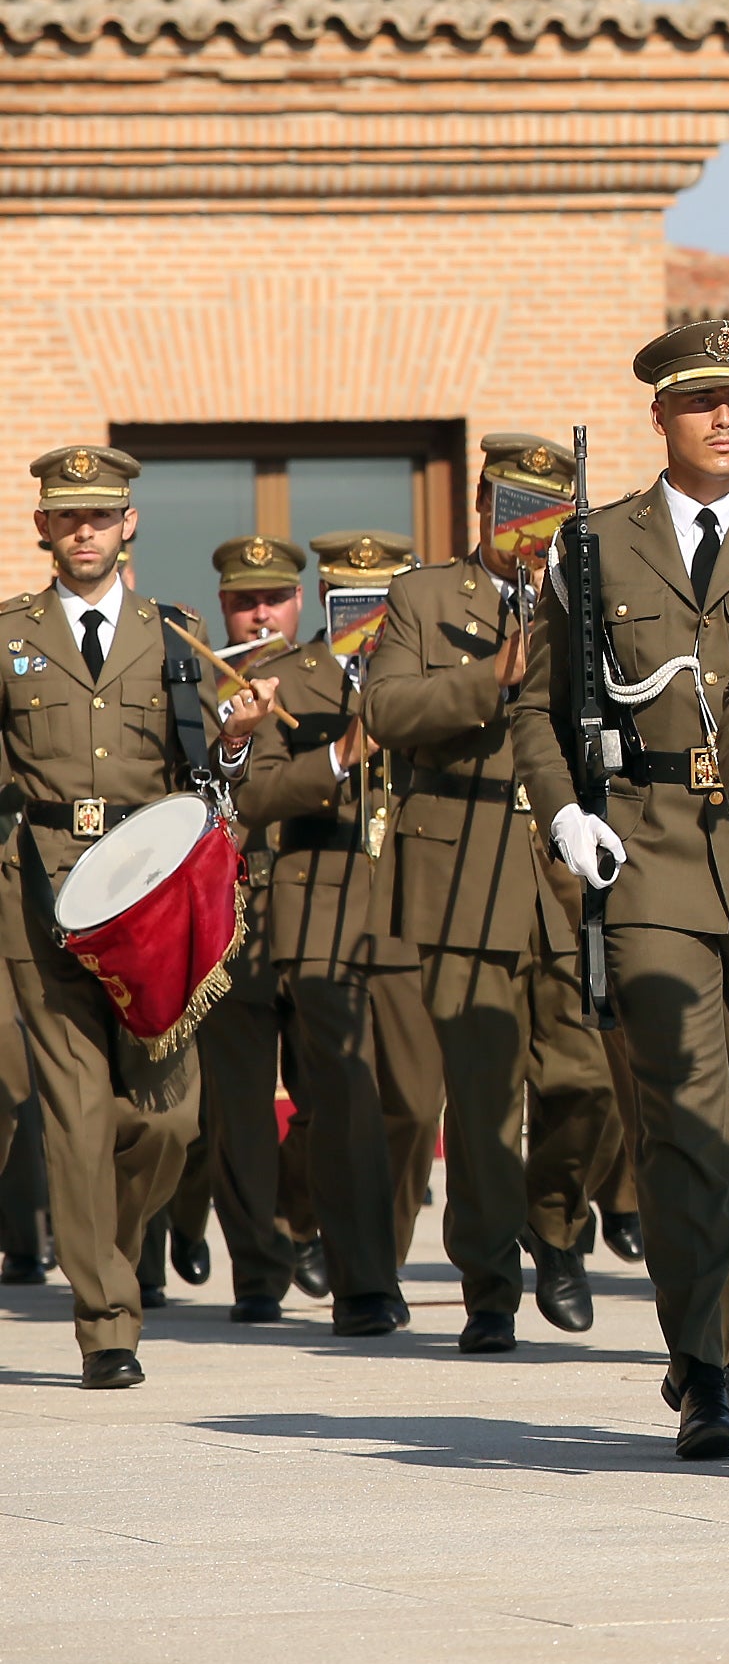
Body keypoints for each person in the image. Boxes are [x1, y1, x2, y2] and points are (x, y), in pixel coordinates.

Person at [510, 321, 729, 1459]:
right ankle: (711, 1371)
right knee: (685, 1120)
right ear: (662, 419)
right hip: (642, 851)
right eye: (702, 403)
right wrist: (563, 812)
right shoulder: (595, 544)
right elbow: (538, 711)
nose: (724, 419)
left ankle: (700, 1336)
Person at [3, 445, 264, 1385]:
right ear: (43, 526)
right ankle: (107, 1317)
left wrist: (233, 743)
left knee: (165, 1122)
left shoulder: (176, 634)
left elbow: (207, 781)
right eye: (67, 516)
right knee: (75, 1113)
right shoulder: (8, 636)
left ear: (130, 524)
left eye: (101, 515)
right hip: (37, 895)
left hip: (147, 901)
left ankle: (107, 1239)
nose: (85, 530)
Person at [359, 432, 618, 1358]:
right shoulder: (424, 596)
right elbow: (384, 712)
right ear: (481, 509)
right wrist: (485, 679)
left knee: (586, 1080)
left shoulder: (589, 599)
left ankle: (553, 1222)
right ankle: (488, 1284)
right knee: (478, 1101)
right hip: (459, 863)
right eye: (514, 511)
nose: (529, 535)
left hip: (559, 871)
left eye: (547, 516)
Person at [235, 528, 423, 1339]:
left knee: (414, 1104)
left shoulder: (424, 673)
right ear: (324, 598)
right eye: (351, 599)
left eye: (380, 600)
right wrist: (342, 752)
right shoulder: (284, 680)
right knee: (344, 1098)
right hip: (318, 907)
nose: (367, 616)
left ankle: (357, 1237)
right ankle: (365, 1280)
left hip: (411, 902)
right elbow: (259, 794)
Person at [180, 533, 312, 1321]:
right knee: (235, 1108)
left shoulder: (334, 675)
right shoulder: (190, 685)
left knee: (333, 1100)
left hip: (322, 911)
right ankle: (258, 1273)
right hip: (228, 914)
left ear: (298, 601)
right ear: (223, 604)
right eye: (243, 599)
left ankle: (301, 1219)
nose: (259, 612)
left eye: (273, 597)